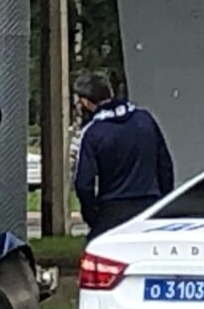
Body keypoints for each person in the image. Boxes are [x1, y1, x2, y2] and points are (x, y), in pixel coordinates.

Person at [72, 73, 175, 241]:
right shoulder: (145, 119)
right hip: (149, 205)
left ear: (85, 102)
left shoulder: (93, 133)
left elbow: (83, 183)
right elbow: (165, 166)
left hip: (112, 210)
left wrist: (93, 217)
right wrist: (162, 204)